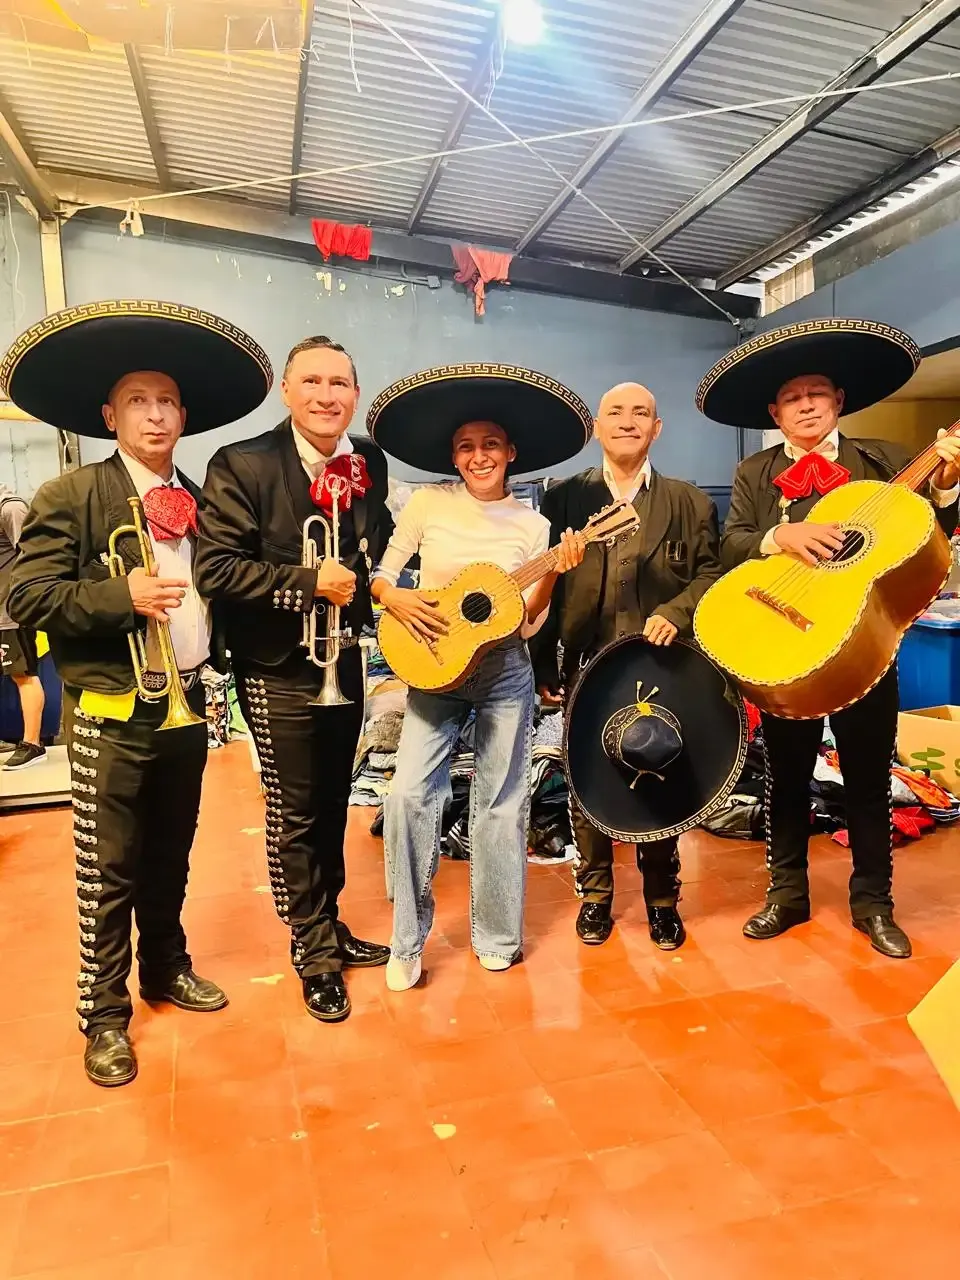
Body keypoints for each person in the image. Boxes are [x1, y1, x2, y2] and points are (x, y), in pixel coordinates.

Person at [2, 299, 272, 1086]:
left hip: (184, 707)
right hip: (111, 716)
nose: (155, 415)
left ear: (184, 415)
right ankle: (105, 1015)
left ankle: (165, 967)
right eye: (138, 402)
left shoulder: (199, 495)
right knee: (105, 870)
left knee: (170, 856)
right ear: (109, 414)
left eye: (166, 402)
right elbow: (29, 599)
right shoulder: (71, 493)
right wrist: (121, 595)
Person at [698, 317, 960, 959]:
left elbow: (934, 525)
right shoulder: (754, 473)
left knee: (869, 781)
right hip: (788, 647)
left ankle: (873, 904)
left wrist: (950, 480)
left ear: (838, 401)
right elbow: (728, 544)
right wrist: (778, 536)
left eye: (817, 392)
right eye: (792, 397)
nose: (806, 404)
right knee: (784, 781)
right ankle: (785, 896)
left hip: (868, 648)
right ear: (774, 411)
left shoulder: (886, 460)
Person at [366, 363, 592, 989]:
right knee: (409, 794)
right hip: (434, 667)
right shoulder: (427, 503)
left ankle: (497, 935)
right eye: (466, 446)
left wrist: (555, 569)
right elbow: (382, 572)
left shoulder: (533, 526)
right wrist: (395, 597)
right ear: (454, 456)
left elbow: (527, 621)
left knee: (501, 804)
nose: (478, 455)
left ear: (510, 452)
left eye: (490, 444)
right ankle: (407, 941)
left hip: (503, 673)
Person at [194, 335, 394, 1025]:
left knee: (334, 805)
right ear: (287, 391)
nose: (326, 395)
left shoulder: (370, 462)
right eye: (311, 382)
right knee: (294, 814)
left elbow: (379, 552)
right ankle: (312, 952)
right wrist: (310, 582)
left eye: (340, 383)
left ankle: (329, 924)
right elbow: (215, 571)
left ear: (356, 394)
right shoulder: (241, 463)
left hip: (344, 665)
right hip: (276, 669)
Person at [531, 382, 722, 950]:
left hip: (659, 664)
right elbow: (548, 589)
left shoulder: (689, 502)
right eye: (615, 411)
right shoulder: (562, 499)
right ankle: (595, 898)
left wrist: (676, 610)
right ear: (597, 426)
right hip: (586, 661)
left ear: (656, 429)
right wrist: (546, 664)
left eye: (642, 412)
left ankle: (663, 900)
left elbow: (710, 575)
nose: (628, 421)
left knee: (660, 772)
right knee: (587, 781)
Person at [0, 483, 46, 770]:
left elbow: (34, 558)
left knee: (23, 675)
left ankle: (33, 744)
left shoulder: (11, 508)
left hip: (11, 611)